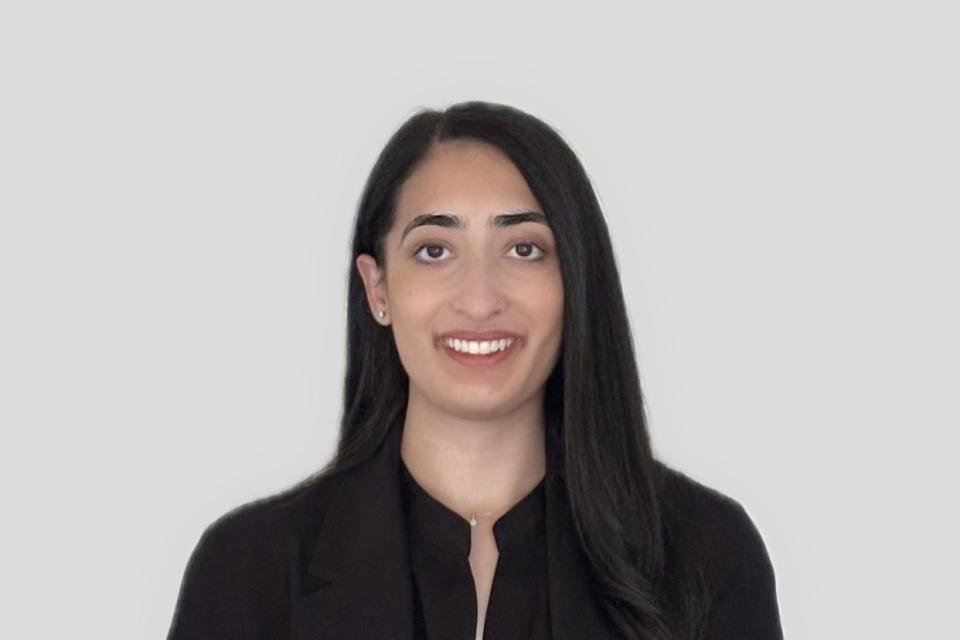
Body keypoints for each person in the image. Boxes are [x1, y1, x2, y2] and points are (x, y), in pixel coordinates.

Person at [166, 101, 784, 640]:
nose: (481, 298)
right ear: (377, 288)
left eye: (524, 250)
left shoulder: (705, 554)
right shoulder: (249, 570)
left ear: (574, 281)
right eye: (435, 251)